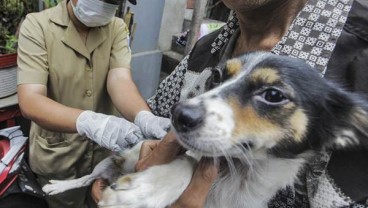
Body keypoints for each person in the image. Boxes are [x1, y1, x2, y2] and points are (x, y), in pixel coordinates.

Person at [134, 0, 368, 207]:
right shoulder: (208, 47)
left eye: (274, 96)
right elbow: (159, 123)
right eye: (217, 80)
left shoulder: (359, 57)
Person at [16, 0, 171, 207]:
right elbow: (31, 99)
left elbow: (120, 80)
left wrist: (144, 116)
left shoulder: (116, 28)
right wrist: (88, 121)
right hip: (59, 156)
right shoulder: (38, 26)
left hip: (104, 155)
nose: (106, 4)